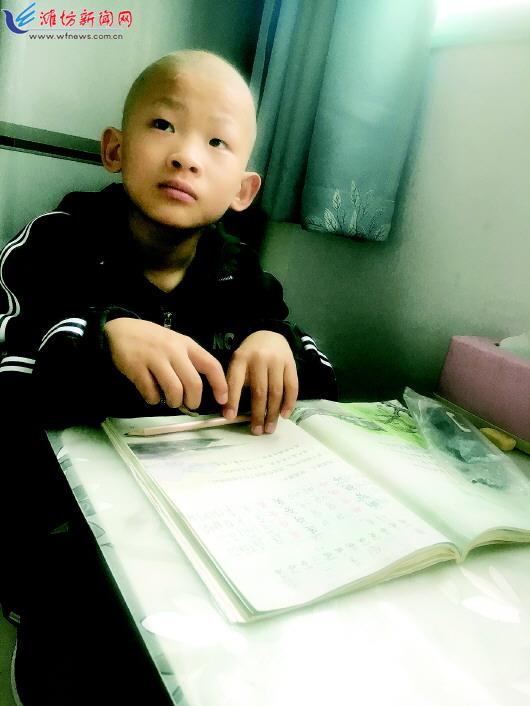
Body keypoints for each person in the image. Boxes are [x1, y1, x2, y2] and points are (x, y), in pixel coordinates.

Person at [0, 50, 336, 704]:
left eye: (217, 142)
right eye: (163, 126)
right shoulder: (54, 244)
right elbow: (8, 374)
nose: (186, 156)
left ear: (242, 190)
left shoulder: (243, 276)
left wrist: (278, 344)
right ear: (115, 149)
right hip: (62, 527)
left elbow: (321, 390)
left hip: (193, 519)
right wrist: (98, 336)